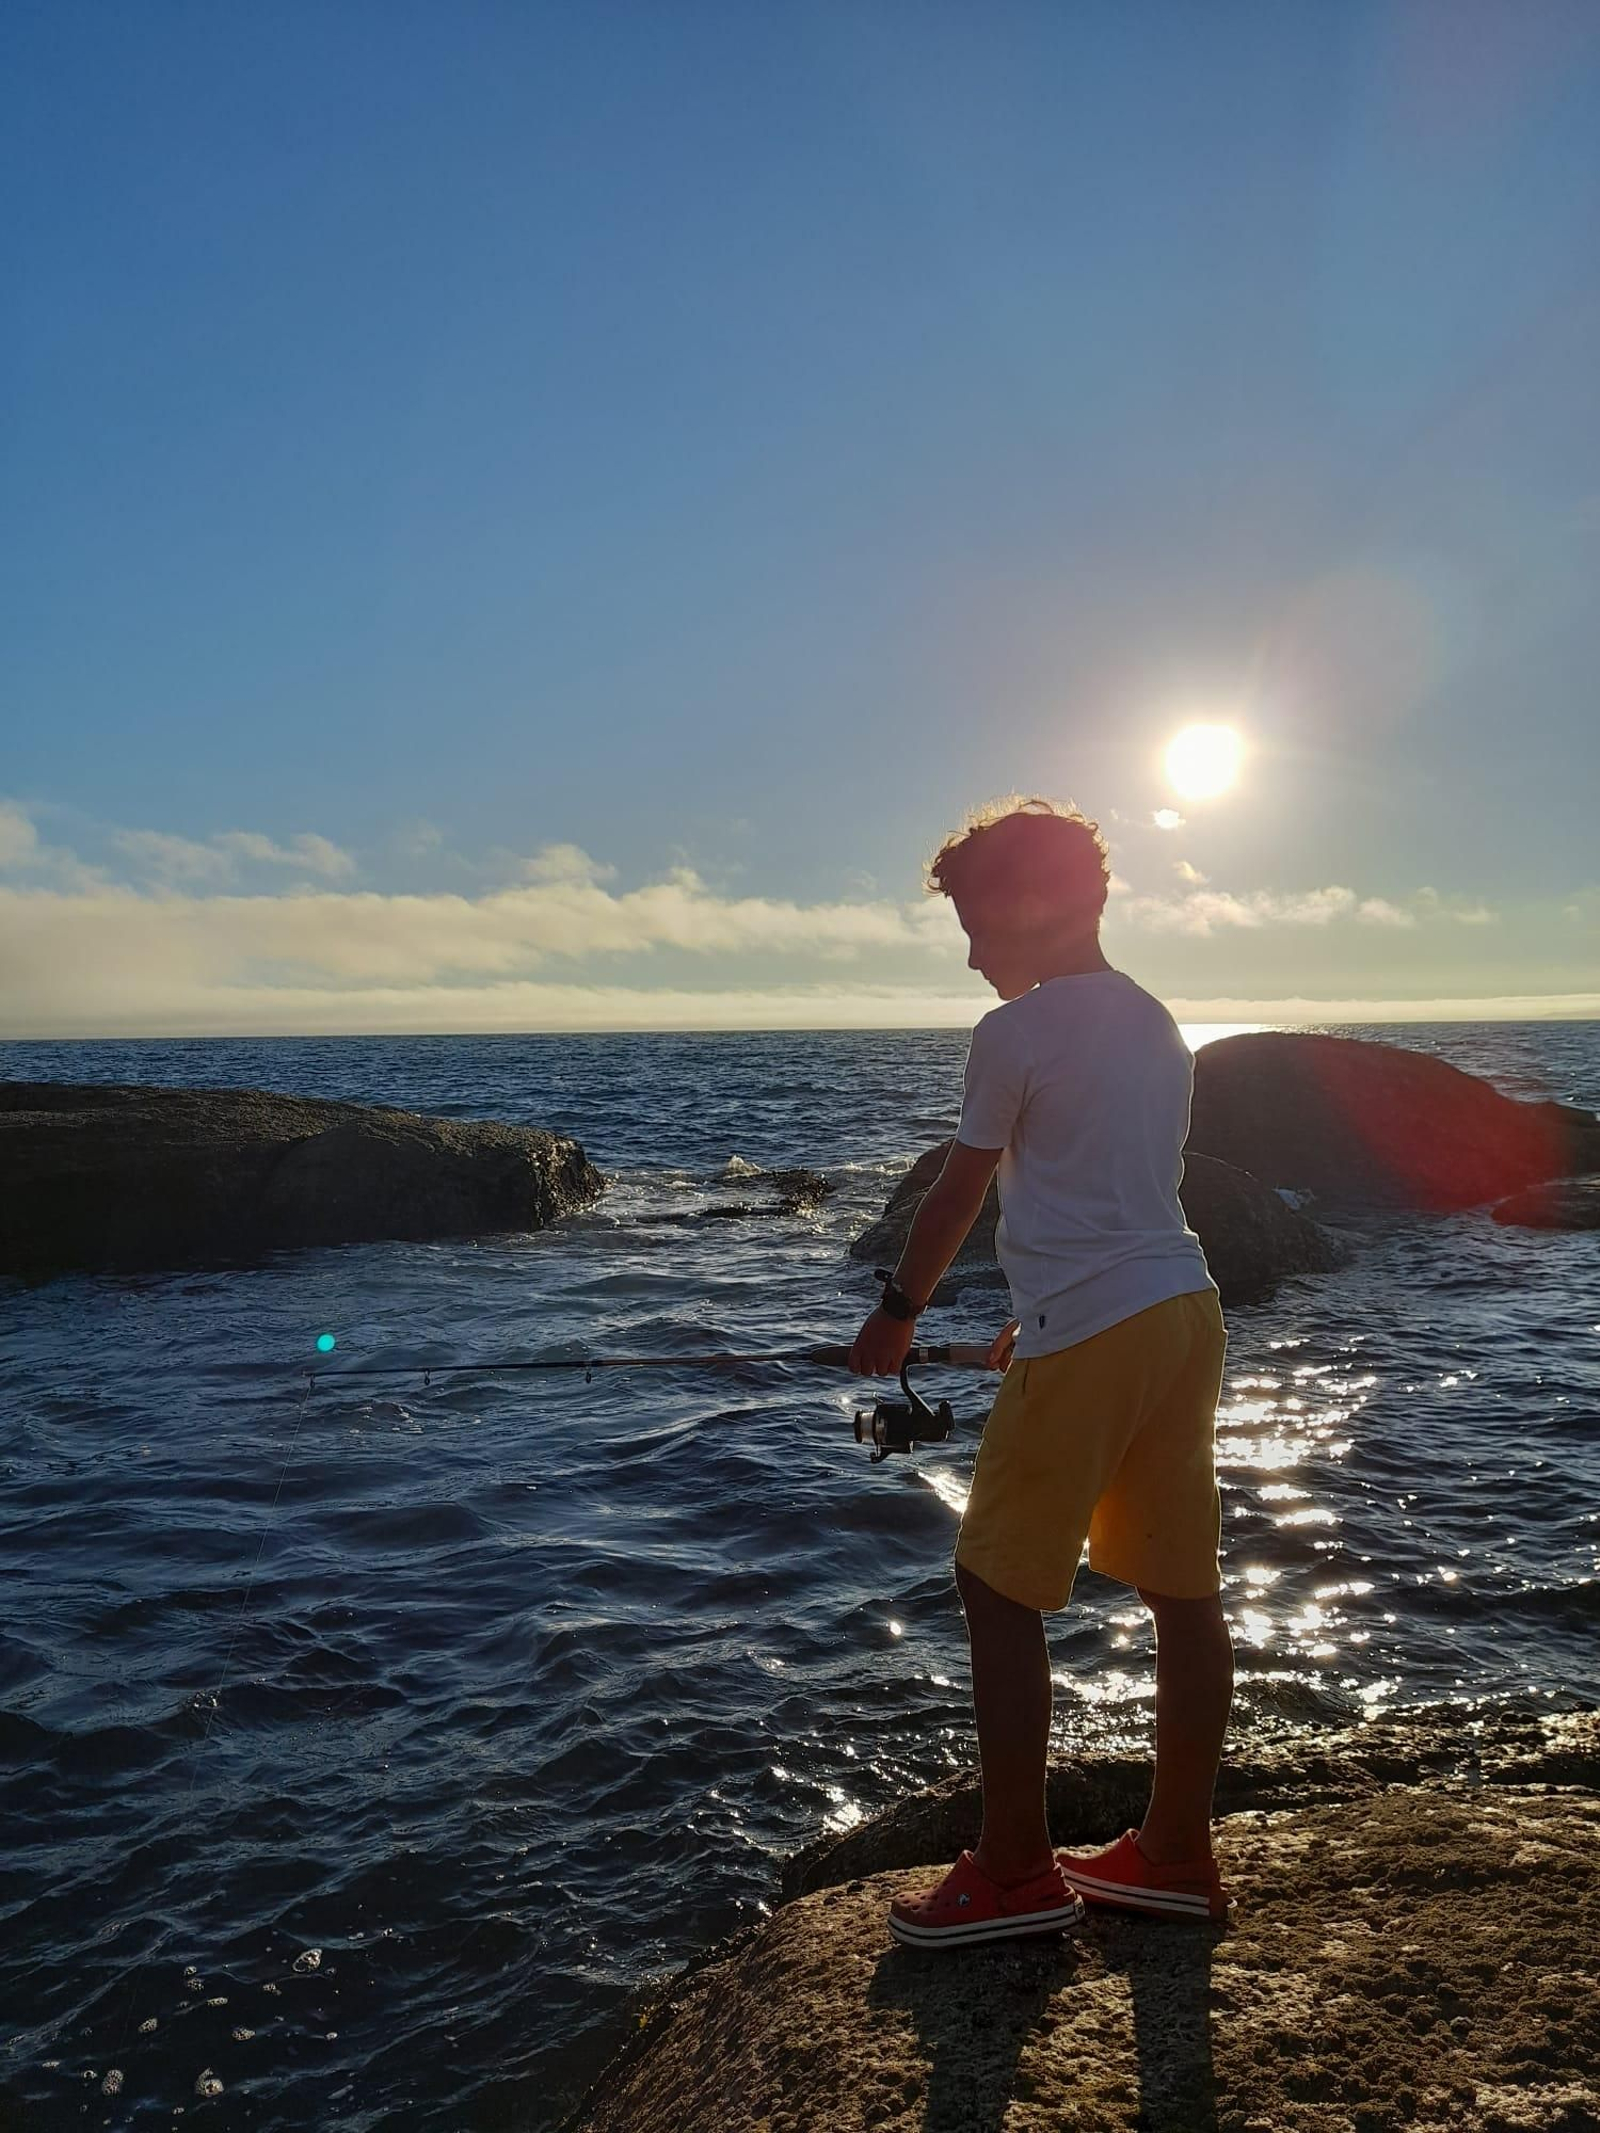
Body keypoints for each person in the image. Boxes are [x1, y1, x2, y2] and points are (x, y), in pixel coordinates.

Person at [849, 796, 1231, 1949]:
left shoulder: (1012, 1034)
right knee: (1181, 1587)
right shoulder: (1157, 1020)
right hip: (1182, 1310)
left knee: (996, 1584)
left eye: (975, 919)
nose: (969, 951)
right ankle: (1173, 1853)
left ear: (1036, 905)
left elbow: (958, 1192)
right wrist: (1038, 1314)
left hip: (1094, 1331)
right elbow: (1109, 1189)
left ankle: (1015, 1868)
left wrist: (898, 1314)